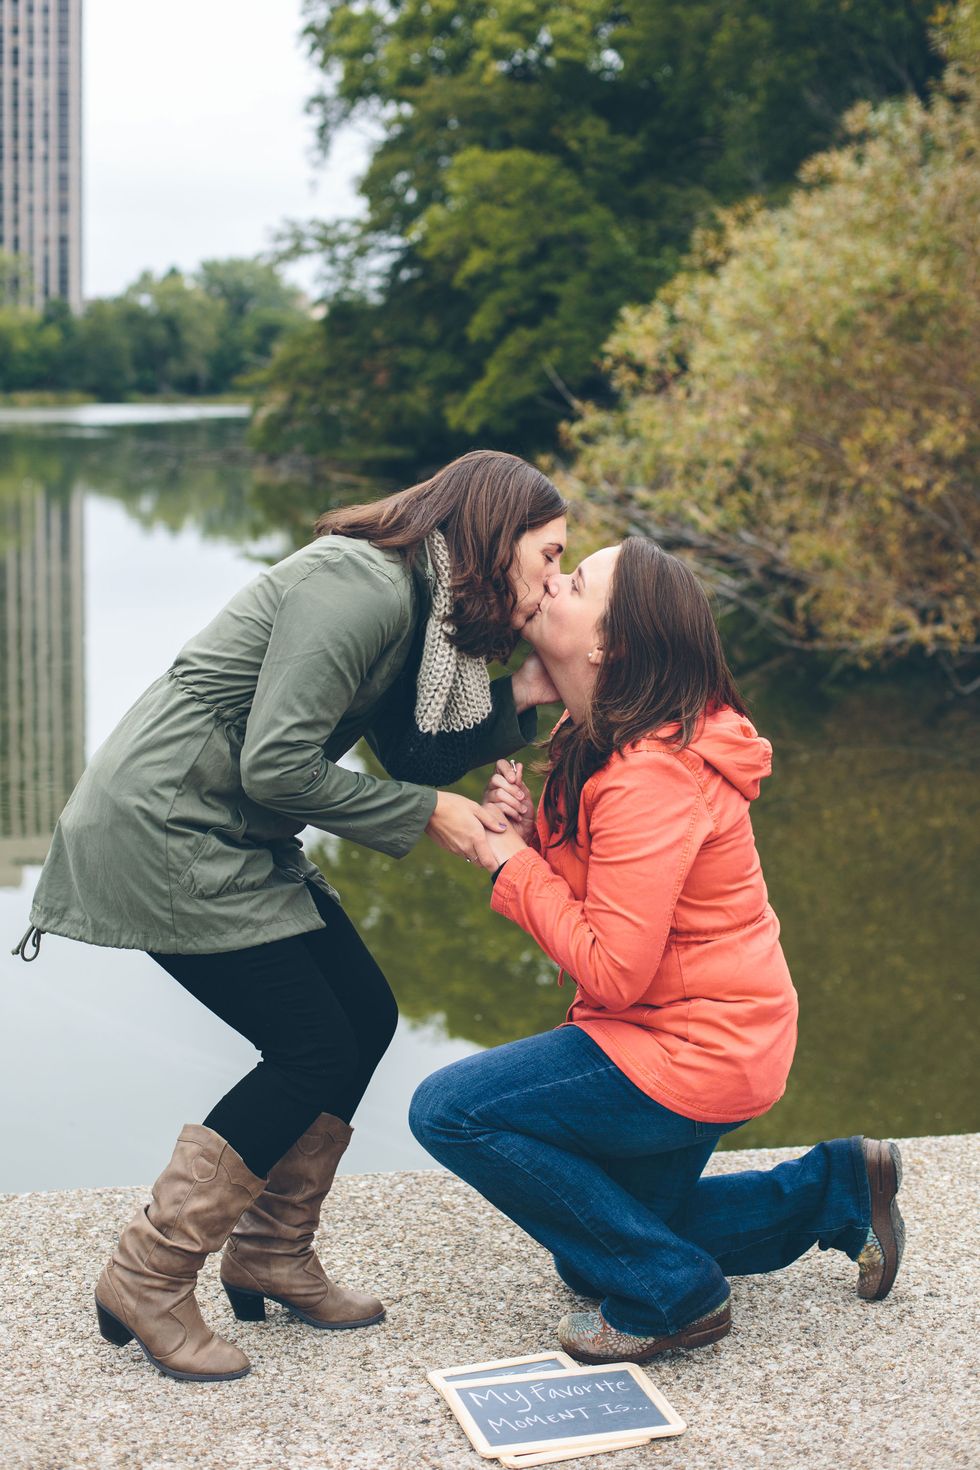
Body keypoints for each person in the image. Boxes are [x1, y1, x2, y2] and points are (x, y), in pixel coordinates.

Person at [12, 449, 568, 1383]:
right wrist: (429, 817)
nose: (553, 578)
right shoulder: (358, 585)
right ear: (494, 534)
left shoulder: (420, 608)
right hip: (166, 826)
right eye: (550, 554)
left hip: (231, 828)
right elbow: (279, 768)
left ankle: (272, 1250)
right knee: (312, 1044)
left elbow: (408, 754)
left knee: (364, 1017)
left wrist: (521, 698)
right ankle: (148, 1273)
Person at [409, 537, 905, 1365]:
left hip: (693, 1044)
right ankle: (836, 1188)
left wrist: (511, 863)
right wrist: (540, 839)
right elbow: (624, 904)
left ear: (611, 645)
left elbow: (611, 966)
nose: (551, 585)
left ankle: (676, 1298)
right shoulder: (602, 735)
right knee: (596, 1244)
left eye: (572, 582)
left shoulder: (653, 773)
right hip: (715, 1027)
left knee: (450, 1110)